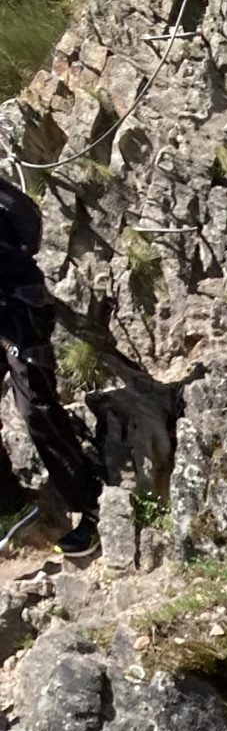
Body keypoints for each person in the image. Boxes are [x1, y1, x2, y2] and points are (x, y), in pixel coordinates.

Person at [0, 178, 102, 564]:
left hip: (19, 310)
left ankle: (91, 509)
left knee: (36, 410)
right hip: (10, 308)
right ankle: (11, 505)